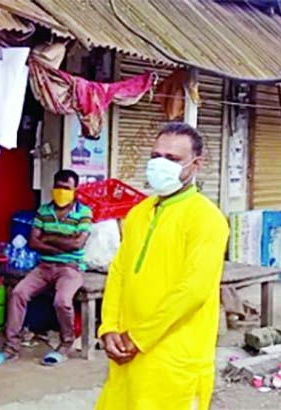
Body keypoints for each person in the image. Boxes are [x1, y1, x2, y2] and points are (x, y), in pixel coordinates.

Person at [95, 122, 228, 409]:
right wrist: (108, 327)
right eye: (156, 156)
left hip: (173, 358)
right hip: (126, 353)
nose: (160, 165)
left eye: (172, 159)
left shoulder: (207, 219)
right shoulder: (138, 212)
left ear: (196, 165)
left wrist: (138, 337)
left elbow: (193, 291)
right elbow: (119, 272)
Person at [0, 169, 92, 367]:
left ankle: (65, 345)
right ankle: (11, 348)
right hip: (43, 266)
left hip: (71, 268)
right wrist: (62, 242)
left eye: (66, 188)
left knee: (62, 302)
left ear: (75, 190)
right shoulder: (44, 211)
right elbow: (33, 242)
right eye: (58, 187)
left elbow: (77, 244)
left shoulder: (84, 212)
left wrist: (49, 238)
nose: (61, 191)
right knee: (18, 293)